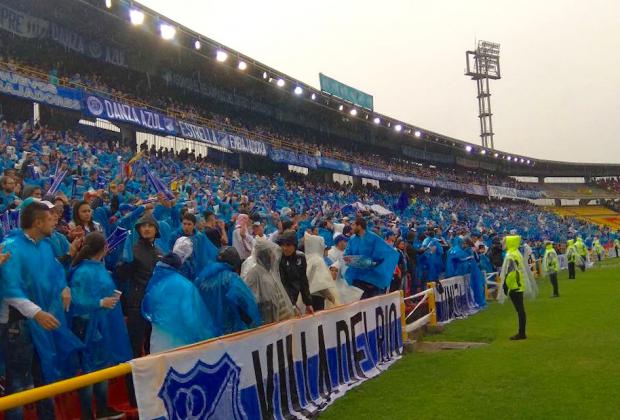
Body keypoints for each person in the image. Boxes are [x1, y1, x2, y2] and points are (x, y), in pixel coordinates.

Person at [0, 200, 83, 419]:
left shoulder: (44, 246)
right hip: (17, 325)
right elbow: (10, 289)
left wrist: (64, 286)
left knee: (45, 376)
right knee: (18, 383)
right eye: (49, 218)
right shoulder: (11, 247)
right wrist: (36, 312)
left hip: (41, 321)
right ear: (37, 222)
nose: (54, 221)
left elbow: (55, 271)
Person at [69, 232, 131, 420]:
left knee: (102, 367)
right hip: (88, 327)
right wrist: (100, 303)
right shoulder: (83, 271)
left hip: (101, 326)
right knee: (88, 370)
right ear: (104, 248)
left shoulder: (97, 268)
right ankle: (88, 413)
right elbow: (77, 302)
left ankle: (103, 408)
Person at [142, 237, 217, 353]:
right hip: (179, 343)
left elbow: (148, 309)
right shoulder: (185, 286)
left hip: (157, 342)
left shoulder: (155, 283)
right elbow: (191, 318)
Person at [115, 214, 163, 358]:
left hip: (155, 304)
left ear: (156, 229)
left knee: (153, 345)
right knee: (135, 346)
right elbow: (121, 275)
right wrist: (124, 262)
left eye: (150, 225)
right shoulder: (134, 250)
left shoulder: (159, 252)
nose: (146, 228)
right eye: (143, 226)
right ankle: (132, 380)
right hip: (137, 304)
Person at [194, 247, 261, 335]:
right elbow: (241, 301)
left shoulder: (202, 278)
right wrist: (251, 322)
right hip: (229, 330)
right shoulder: (231, 278)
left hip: (207, 331)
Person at [343, 217, 399, 299]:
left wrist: (371, 263)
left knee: (371, 304)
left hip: (371, 278)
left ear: (359, 226)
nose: (351, 227)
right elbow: (347, 254)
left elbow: (384, 254)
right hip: (356, 277)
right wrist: (348, 259)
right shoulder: (352, 239)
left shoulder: (374, 238)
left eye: (353, 225)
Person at [243, 238, 295, 324]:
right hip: (269, 322)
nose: (274, 256)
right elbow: (252, 299)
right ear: (265, 255)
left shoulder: (270, 272)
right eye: (271, 253)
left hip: (282, 322)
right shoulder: (254, 273)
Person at [499, 235, 530, 340]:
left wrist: (505, 285)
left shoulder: (510, 255)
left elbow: (510, 272)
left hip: (515, 285)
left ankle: (521, 333)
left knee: (520, 309)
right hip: (518, 284)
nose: (503, 244)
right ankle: (522, 332)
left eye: (505, 242)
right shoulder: (516, 253)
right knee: (521, 309)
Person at [170, 213, 218, 280]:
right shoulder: (175, 236)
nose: (186, 226)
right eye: (184, 224)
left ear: (194, 225)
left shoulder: (199, 237)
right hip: (181, 270)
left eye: (189, 224)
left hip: (196, 269)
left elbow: (205, 253)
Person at [278, 231, 314, 313]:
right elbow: (283, 284)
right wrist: (292, 305)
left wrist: (308, 302)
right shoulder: (279, 259)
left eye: (288, 245)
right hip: (281, 300)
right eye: (283, 245)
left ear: (295, 245)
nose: (285, 248)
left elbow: (303, 280)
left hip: (294, 297)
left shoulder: (300, 258)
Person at [303, 233, 339, 311]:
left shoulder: (307, 258)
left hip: (307, 297)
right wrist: (331, 298)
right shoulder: (318, 260)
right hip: (317, 297)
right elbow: (320, 284)